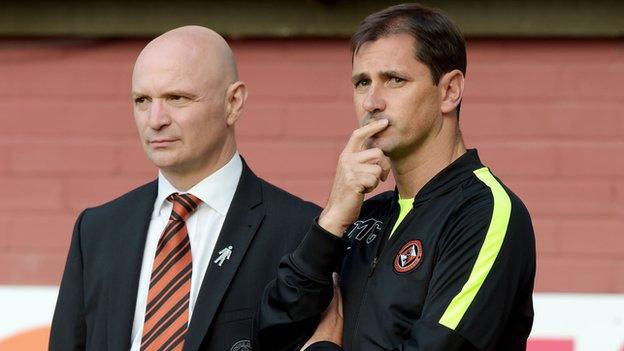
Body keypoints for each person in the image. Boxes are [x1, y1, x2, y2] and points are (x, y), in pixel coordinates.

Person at [256, 3, 536, 350]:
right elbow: (269, 337)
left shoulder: (484, 213)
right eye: (362, 82)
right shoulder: (361, 216)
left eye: (394, 80)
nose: (372, 101)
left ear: (449, 91)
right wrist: (329, 221)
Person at [49, 26, 320, 351]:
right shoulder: (96, 230)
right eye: (142, 100)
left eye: (177, 98)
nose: (155, 119)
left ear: (233, 103)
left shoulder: (301, 231)